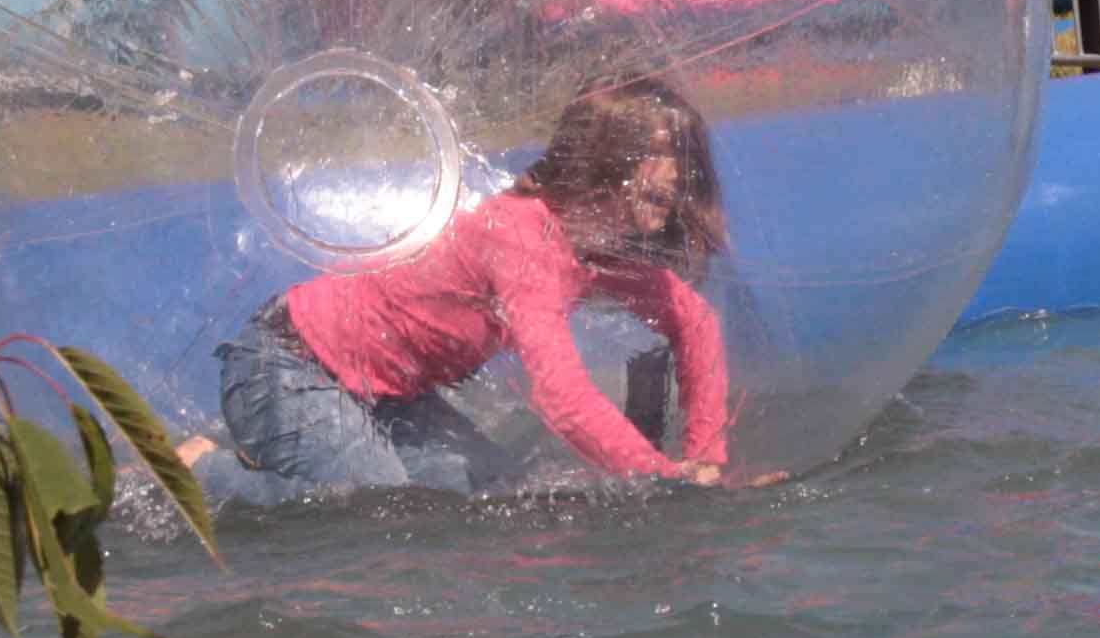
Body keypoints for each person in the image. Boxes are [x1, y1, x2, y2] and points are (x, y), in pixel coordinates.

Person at [207, 77, 742, 493]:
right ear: (604, 162)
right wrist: (659, 478)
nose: (680, 172)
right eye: (661, 151)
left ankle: (293, 450)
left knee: (488, 489)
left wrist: (704, 459)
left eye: (686, 156)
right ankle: (208, 473)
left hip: (386, 393)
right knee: (376, 505)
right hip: (286, 364)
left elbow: (693, 323)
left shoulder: (595, 246)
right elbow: (563, 399)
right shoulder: (523, 239)